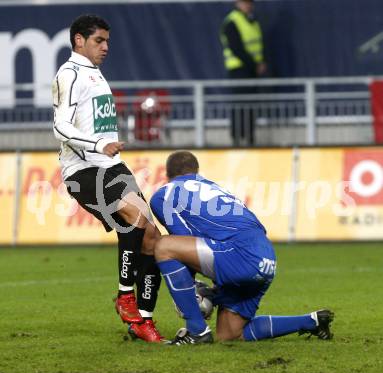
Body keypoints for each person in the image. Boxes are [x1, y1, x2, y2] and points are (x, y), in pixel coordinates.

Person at [52, 14, 163, 342]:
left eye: (107, 41)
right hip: (83, 170)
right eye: (99, 41)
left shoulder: (95, 74)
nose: (106, 47)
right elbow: (61, 126)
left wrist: (106, 146)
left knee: (152, 237)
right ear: (79, 41)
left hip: (111, 165)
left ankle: (142, 321)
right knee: (136, 215)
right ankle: (125, 295)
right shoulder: (69, 74)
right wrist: (100, 143)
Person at [150, 150, 334, 345]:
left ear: (168, 175)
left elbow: (184, 240)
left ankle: (197, 331)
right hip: (266, 257)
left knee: (164, 246)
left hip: (239, 254)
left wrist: (191, 290)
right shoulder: (216, 188)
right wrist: (212, 292)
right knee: (229, 332)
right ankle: (311, 321)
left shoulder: (165, 193)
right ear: (196, 171)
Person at [220, 0, 267, 146]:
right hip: (239, 70)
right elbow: (236, 48)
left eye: (250, 3)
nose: (249, 5)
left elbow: (258, 45)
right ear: (237, 3)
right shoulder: (232, 22)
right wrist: (255, 65)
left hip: (252, 71)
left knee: (251, 105)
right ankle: (237, 139)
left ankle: (249, 137)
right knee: (240, 105)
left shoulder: (252, 21)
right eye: (245, 3)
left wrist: (260, 64)